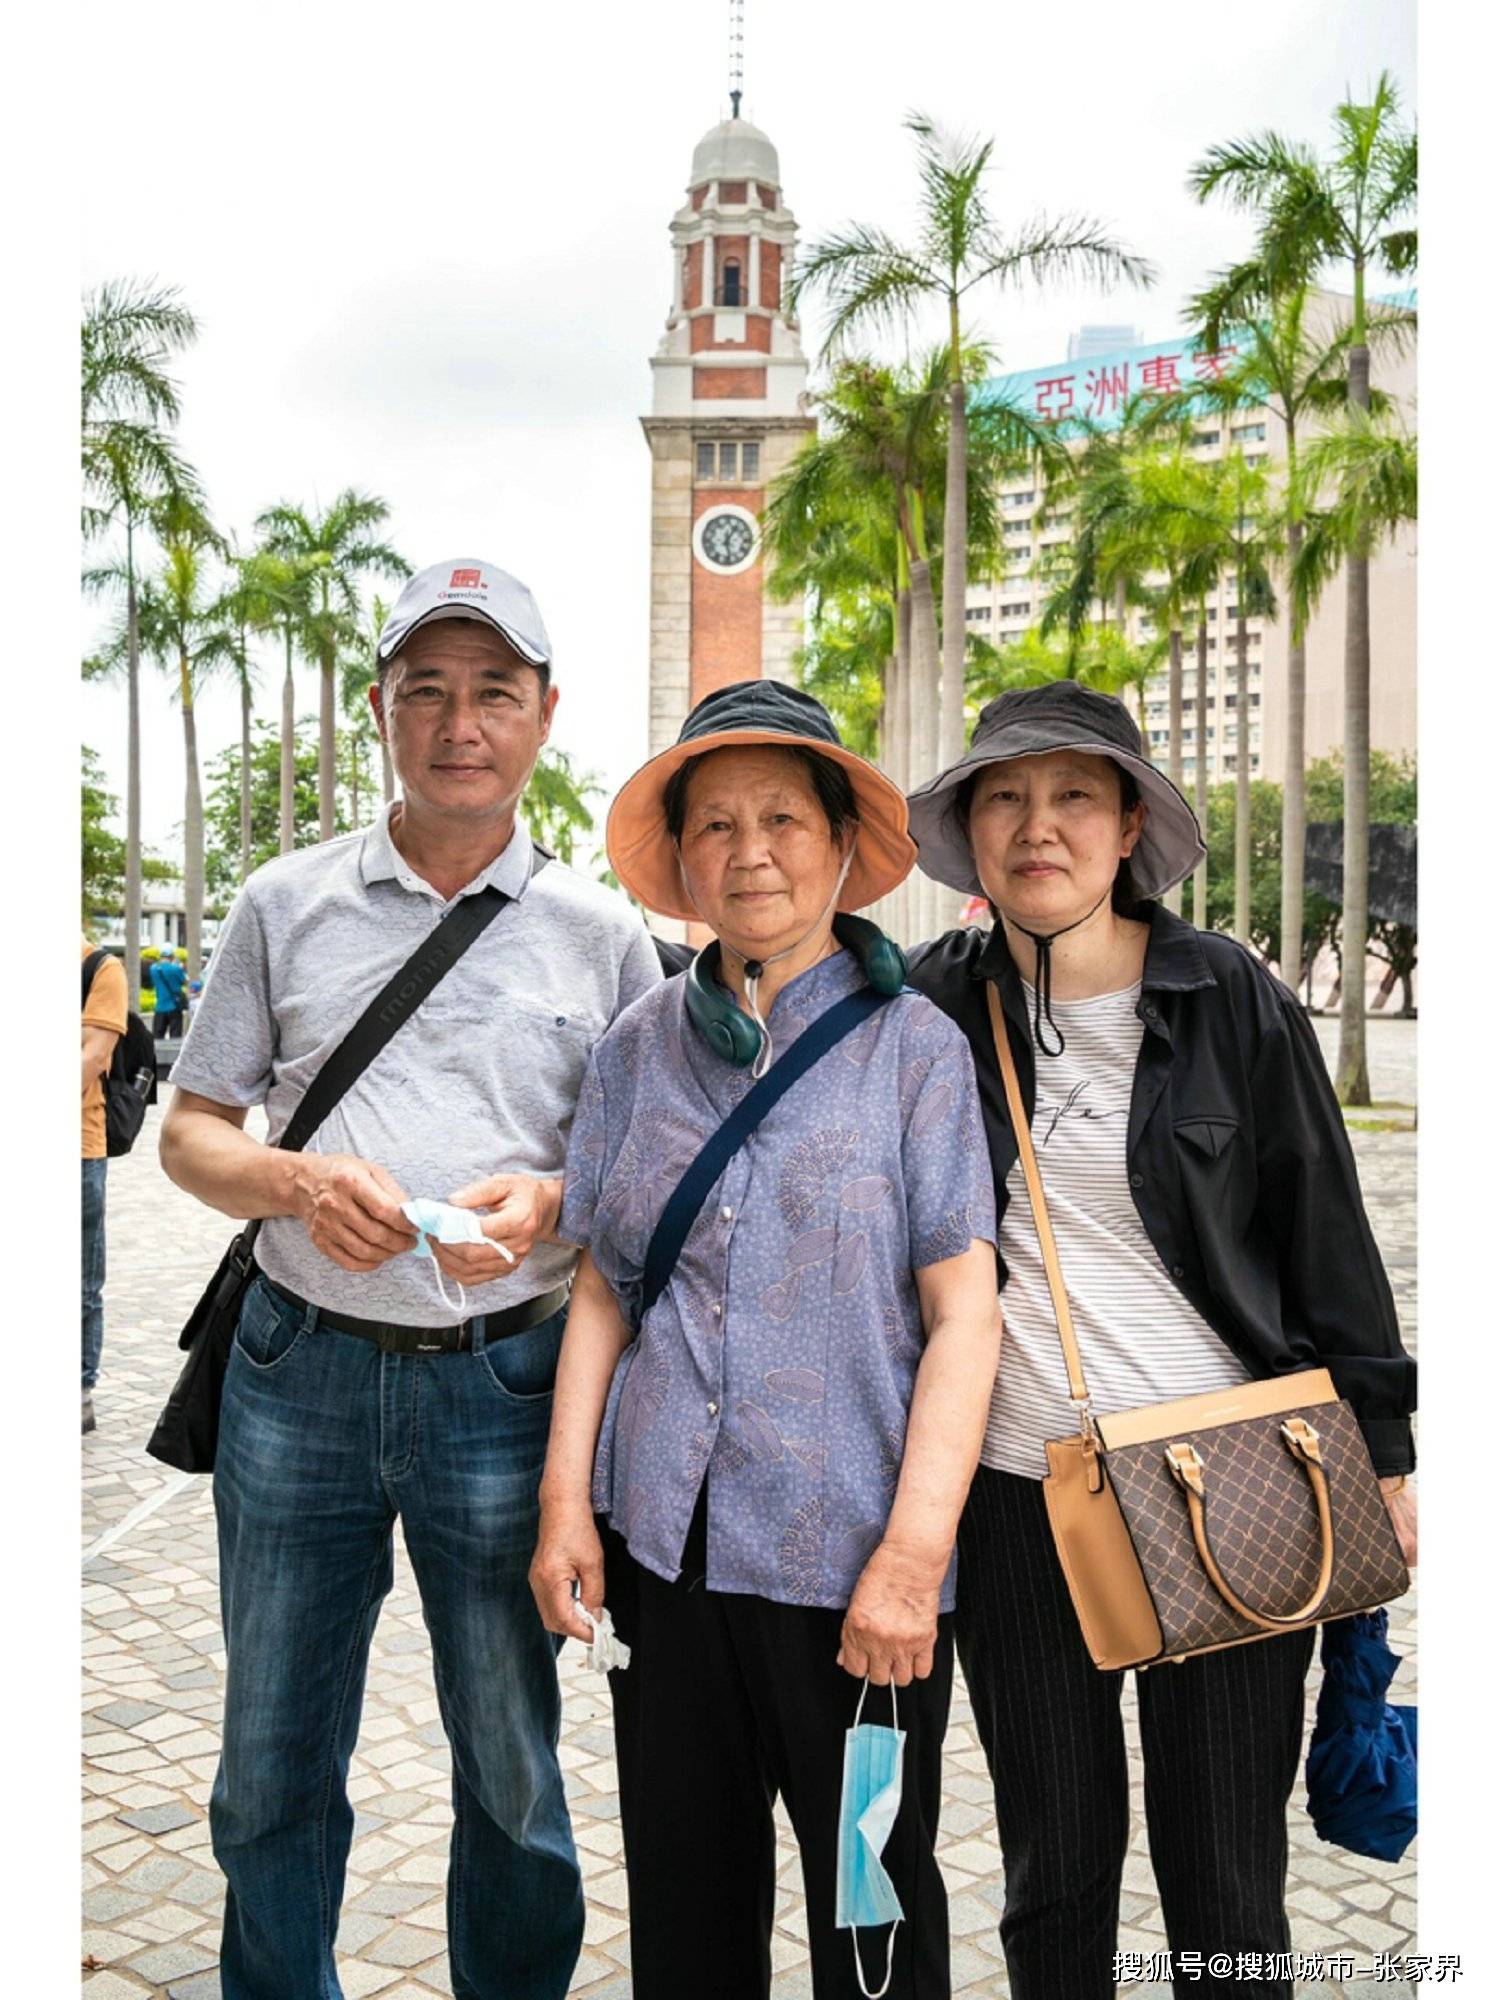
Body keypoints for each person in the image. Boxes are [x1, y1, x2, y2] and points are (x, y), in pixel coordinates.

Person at [160, 557, 662, 2000]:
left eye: (493, 692)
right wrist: (297, 1184)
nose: (459, 723)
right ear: (382, 709)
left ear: (545, 715)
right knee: (268, 1765)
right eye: (427, 692)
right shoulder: (284, 902)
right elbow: (192, 1134)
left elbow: (647, 1170)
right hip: (292, 1371)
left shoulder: (599, 933)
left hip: (505, 1385)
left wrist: (558, 1196)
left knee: (509, 1769)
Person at [903, 680, 1419, 2000]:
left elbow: (1325, 1231)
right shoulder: (932, 1008)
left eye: (1076, 794)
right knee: (1054, 1870)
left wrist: (1390, 1460)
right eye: (1006, 797)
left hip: (1235, 1476)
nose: (1040, 825)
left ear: (1129, 824)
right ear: (972, 830)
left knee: (1229, 1876)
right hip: (1019, 1501)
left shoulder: (1228, 994)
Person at [529, 680, 1001, 2000]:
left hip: (857, 1583)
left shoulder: (916, 1052)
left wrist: (914, 1558)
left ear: (843, 845)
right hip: (666, 1562)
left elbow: (967, 1312)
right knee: (687, 1915)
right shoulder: (635, 1050)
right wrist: (569, 1505)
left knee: (873, 1920)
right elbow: (608, 1292)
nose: (751, 852)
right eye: (717, 823)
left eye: (784, 819)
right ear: (679, 857)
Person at [82, 936, 128, 1436]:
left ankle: (79, 1388)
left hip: (79, 1149)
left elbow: (93, 1056)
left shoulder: (99, 968)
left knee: (79, 1280)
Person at [150, 944, 188, 1038]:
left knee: (157, 1038)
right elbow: (185, 981)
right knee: (175, 1037)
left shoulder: (153, 969)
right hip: (174, 1006)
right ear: (172, 956)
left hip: (159, 1007)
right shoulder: (176, 969)